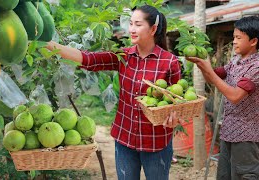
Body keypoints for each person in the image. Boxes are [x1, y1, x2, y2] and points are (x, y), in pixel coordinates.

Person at [46, 5, 183, 179]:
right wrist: (49, 44)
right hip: (124, 138)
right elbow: (88, 59)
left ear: (153, 29)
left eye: (138, 24)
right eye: (131, 23)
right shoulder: (123, 56)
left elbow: (177, 102)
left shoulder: (169, 62)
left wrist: (173, 119)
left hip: (156, 142)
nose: (131, 29)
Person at [186, 16, 259, 180]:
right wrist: (201, 63)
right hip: (229, 131)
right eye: (233, 37)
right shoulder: (235, 61)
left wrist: (209, 71)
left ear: (253, 41)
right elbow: (217, 76)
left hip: (247, 136)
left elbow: (234, 96)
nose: (234, 42)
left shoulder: (256, 67)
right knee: (225, 175)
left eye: (239, 38)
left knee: (245, 175)